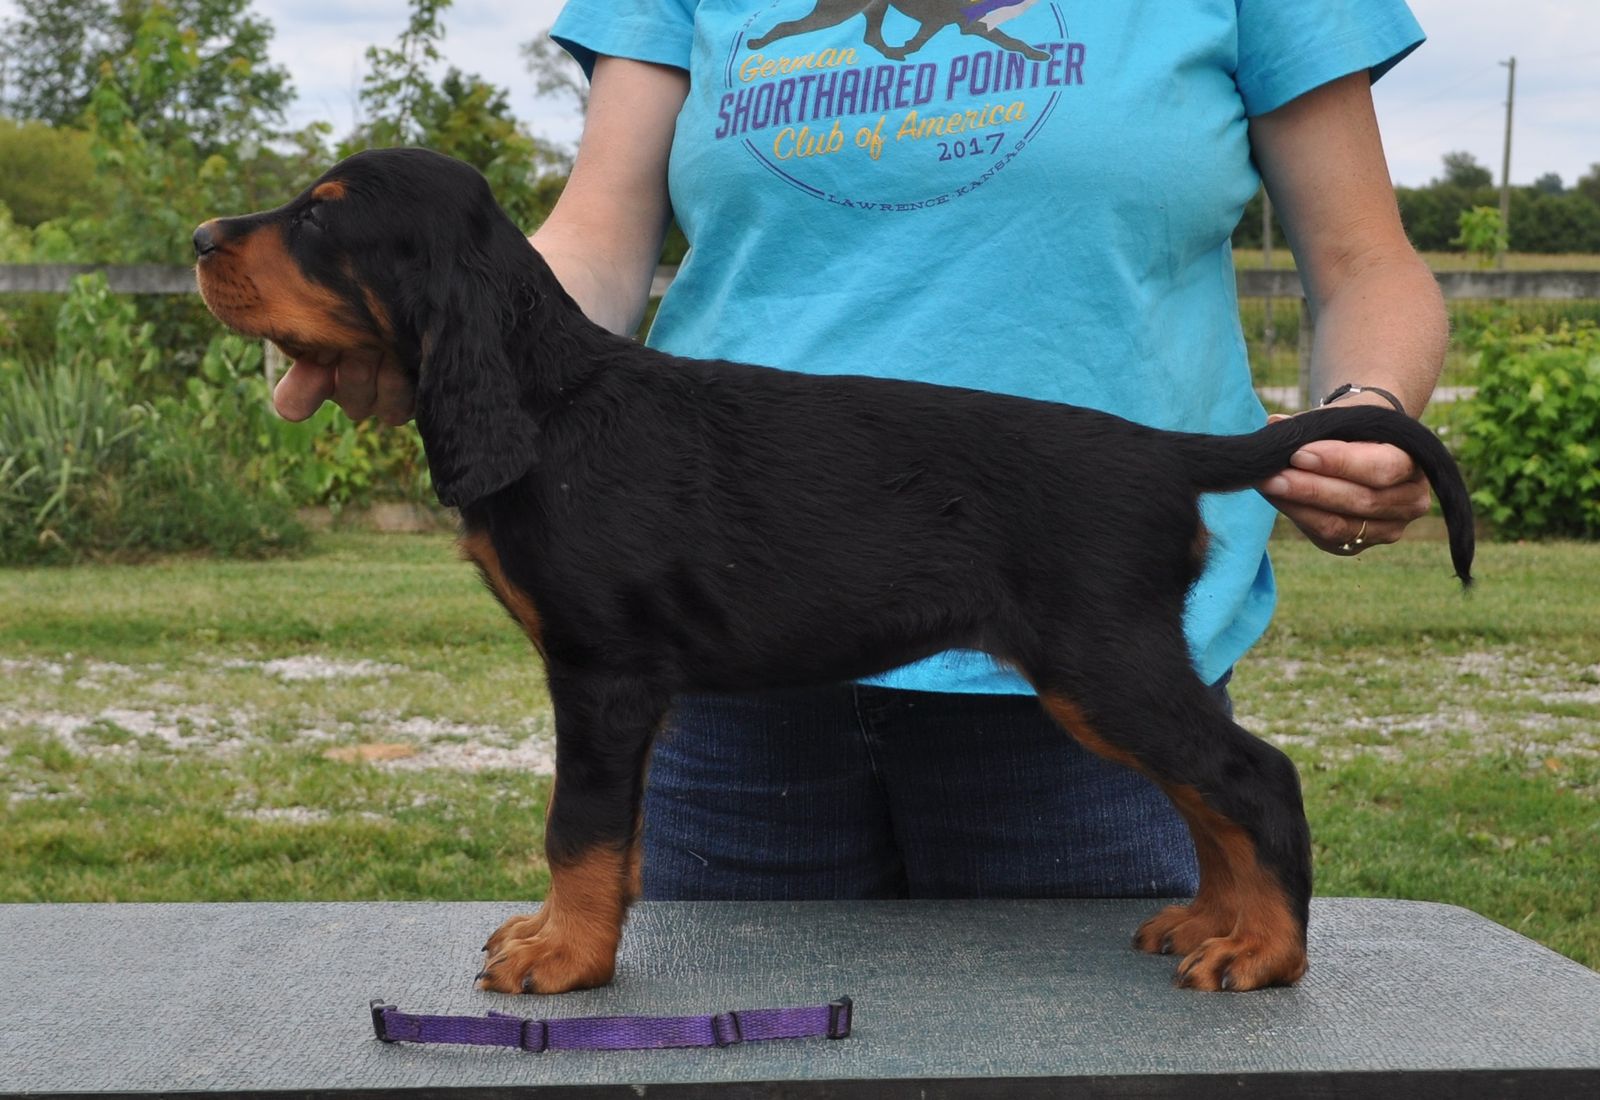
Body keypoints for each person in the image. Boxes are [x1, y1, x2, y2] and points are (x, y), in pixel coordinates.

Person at [274, 1, 1442, 902]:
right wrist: (459, 345)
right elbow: (595, 235)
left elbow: (1363, 262)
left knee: (1098, 1051)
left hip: (1064, 599)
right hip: (724, 642)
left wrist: (1366, 406)